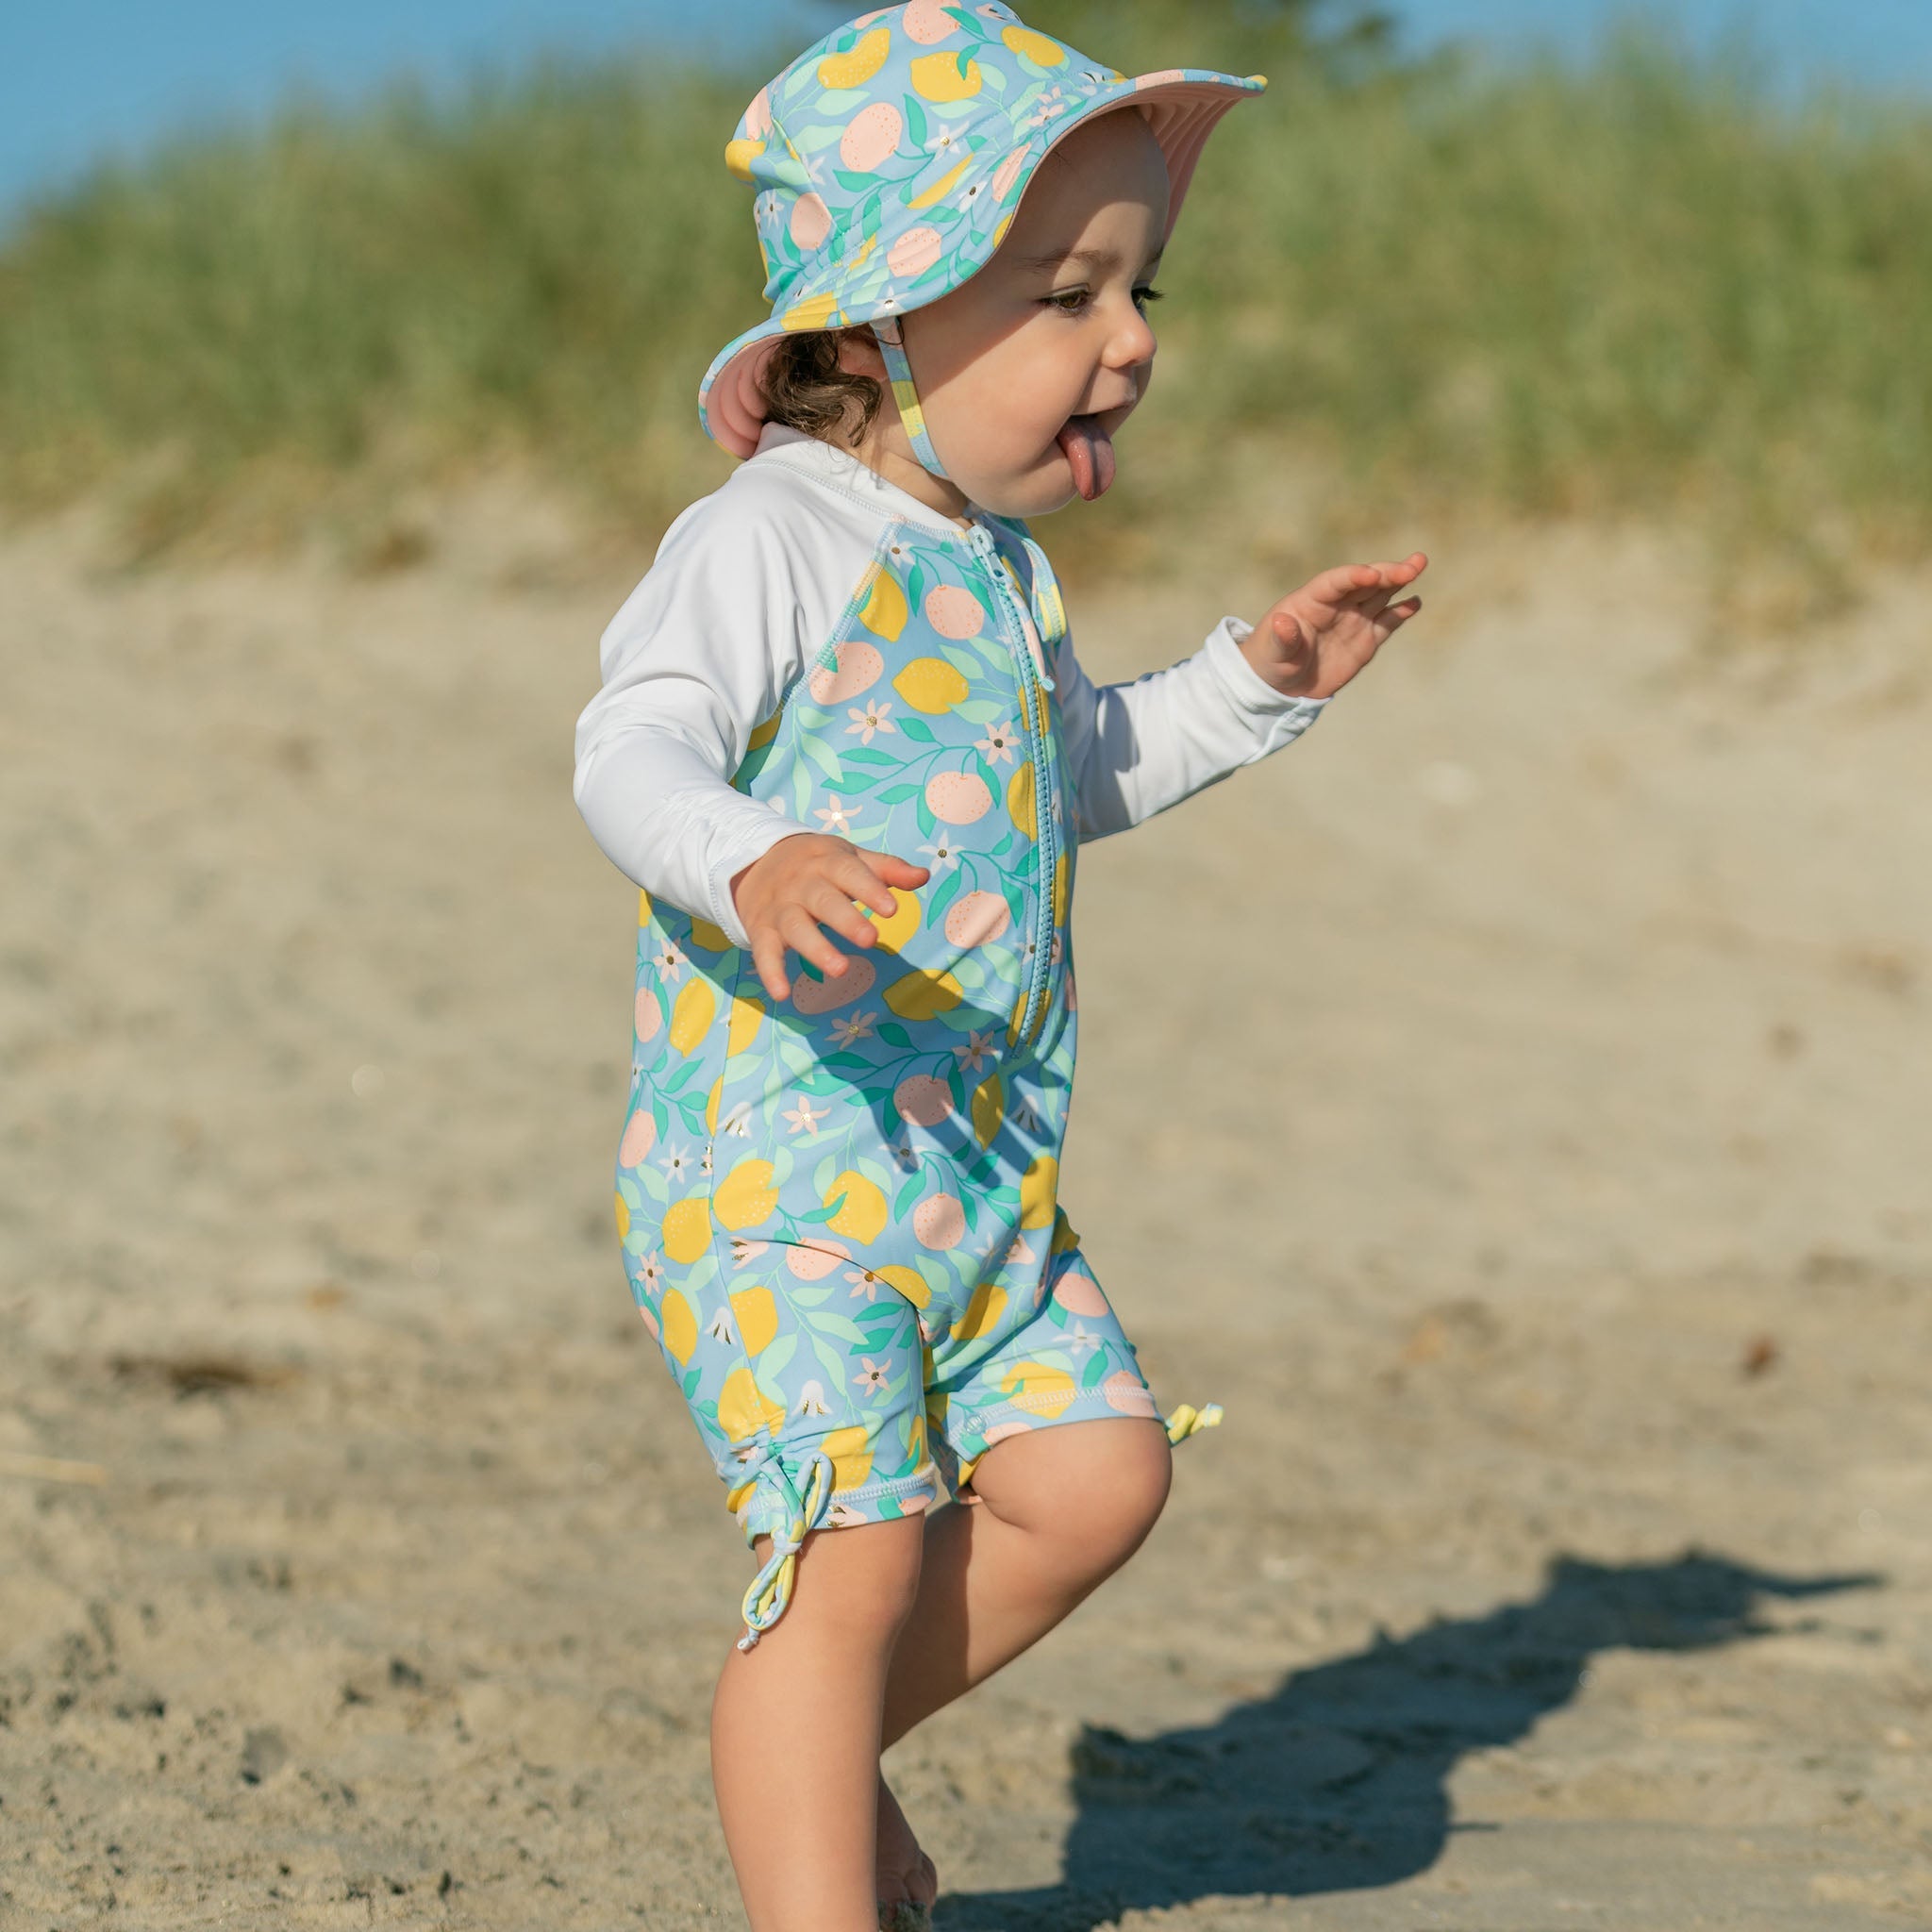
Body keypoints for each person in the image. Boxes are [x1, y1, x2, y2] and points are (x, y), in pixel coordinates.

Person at [573, 7, 1424, 1926]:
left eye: (1139, 289)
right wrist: (751, 853)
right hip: (780, 1174)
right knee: (855, 1551)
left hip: (971, 1165)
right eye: (1064, 293)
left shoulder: (990, 567)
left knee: (1098, 1478)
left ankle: (797, 1726)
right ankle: (812, 1834)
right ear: (876, 327)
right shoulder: (772, 536)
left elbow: (1067, 780)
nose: (1128, 340)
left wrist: (1249, 689)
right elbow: (627, 747)